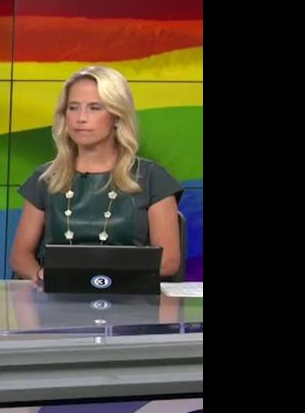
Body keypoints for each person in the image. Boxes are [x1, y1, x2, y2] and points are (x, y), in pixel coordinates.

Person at [10, 65, 184, 286]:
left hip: (130, 297)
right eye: (73, 107)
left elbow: (168, 262)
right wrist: (41, 275)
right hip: (59, 296)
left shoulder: (152, 178)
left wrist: (100, 280)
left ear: (117, 116)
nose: (81, 118)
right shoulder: (45, 178)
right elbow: (20, 256)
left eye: (94, 108)